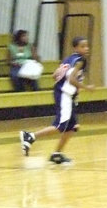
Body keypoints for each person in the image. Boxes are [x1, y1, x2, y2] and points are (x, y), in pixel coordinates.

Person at [19, 36, 94, 164]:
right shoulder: (80, 60)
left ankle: (57, 154)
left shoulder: (68, 59)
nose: (86, 48)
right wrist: (86, 87)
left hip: (63, 93)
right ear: (75, 48)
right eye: (82, 46)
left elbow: (54, 76)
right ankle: (30, 136)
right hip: (64, 95)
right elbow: (71, 79)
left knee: (72, 127)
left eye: (87, 46)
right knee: (60, 126)